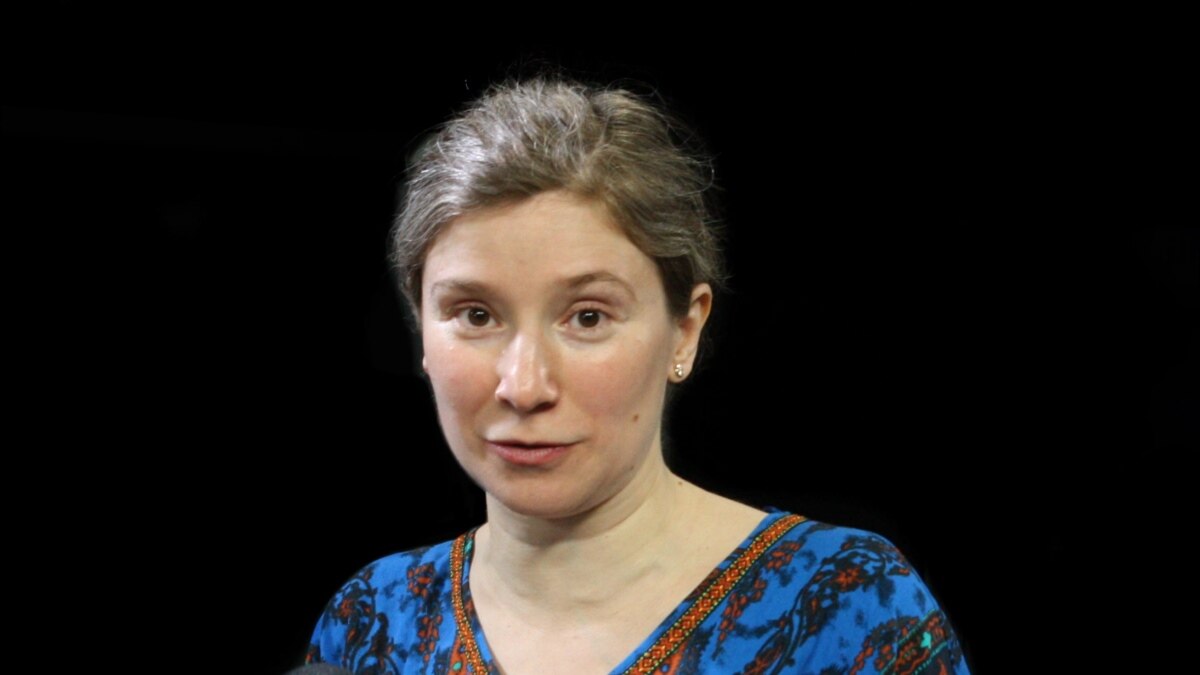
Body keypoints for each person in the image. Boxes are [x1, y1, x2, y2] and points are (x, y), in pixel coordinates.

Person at [304, 75, 971, 674]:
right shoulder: (369, 623)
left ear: (686, 328)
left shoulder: (852, 609)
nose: (524, 386)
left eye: (588, 317)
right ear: (421, 327)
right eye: (476, 315)